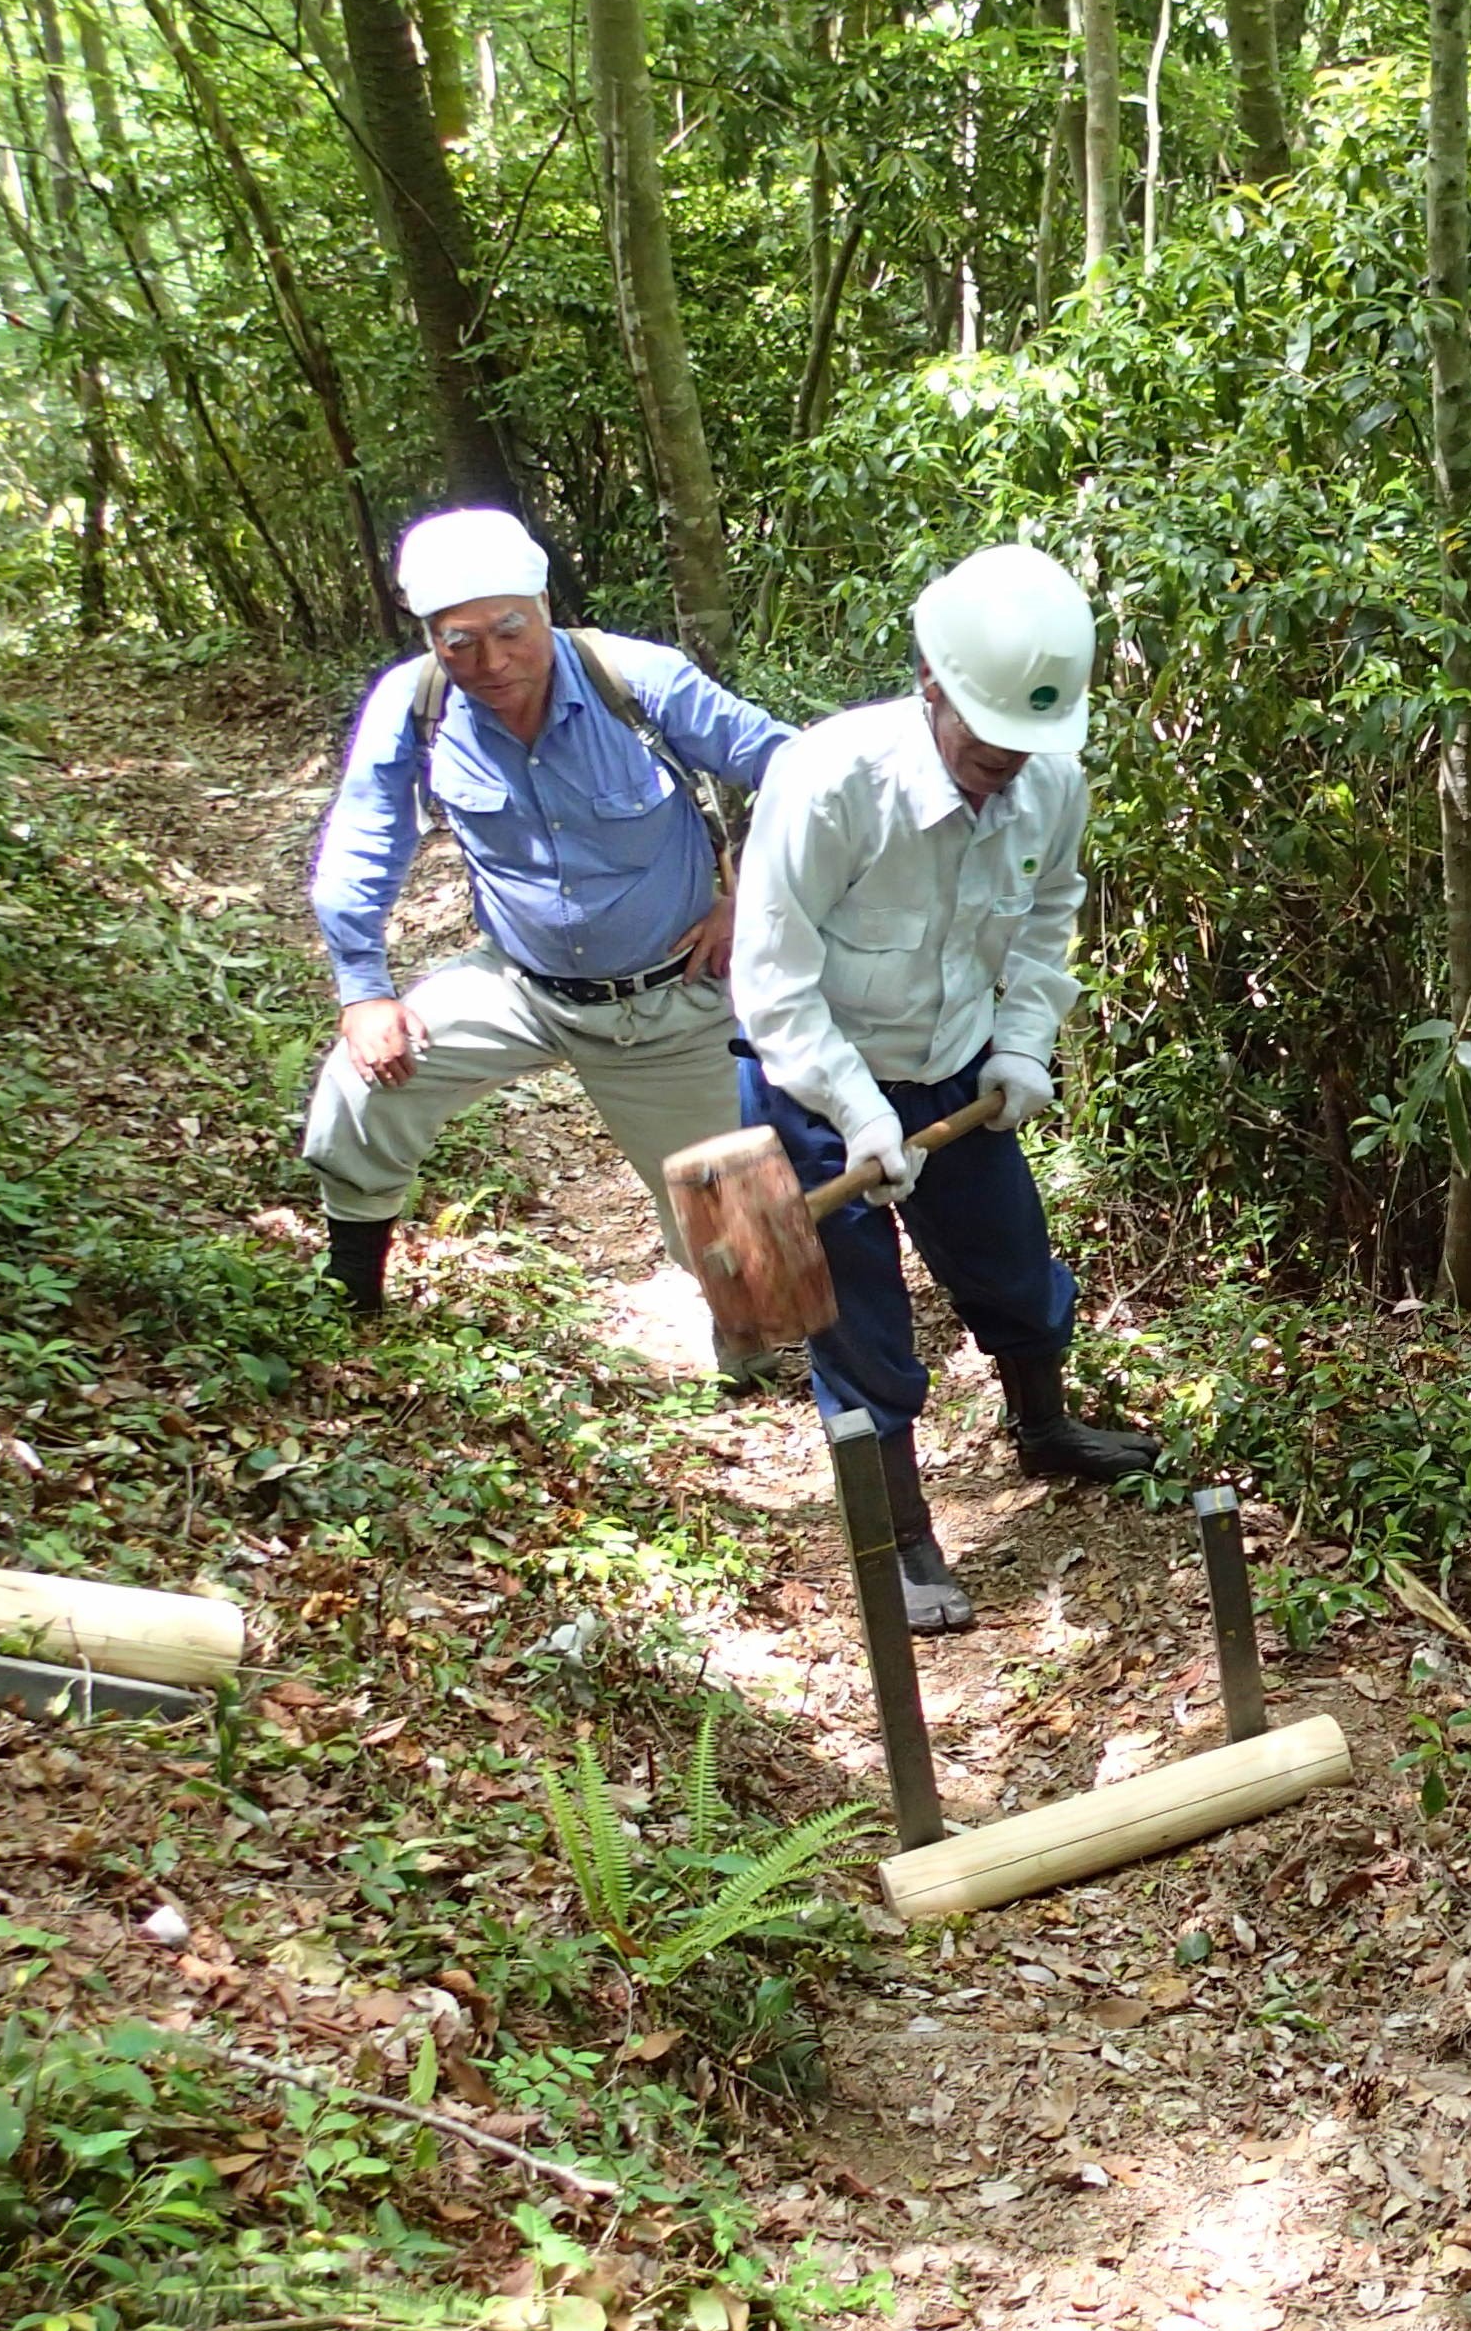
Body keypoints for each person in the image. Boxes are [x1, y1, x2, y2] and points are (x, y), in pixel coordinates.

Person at [729, 542, 1160, 1634]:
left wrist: (1019, 1046)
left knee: (1013, 1263)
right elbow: (770, 981)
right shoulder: (831, 782)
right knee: (858, 1326)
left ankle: (1044, 1427)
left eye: (1029, 743)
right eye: (989, 736)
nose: (1007, 762)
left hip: (955, 1068)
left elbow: (1048, 913)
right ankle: (899, 1532)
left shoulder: (1048, 781)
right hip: (810, 1083)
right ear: (930, 684)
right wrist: (861, 1117)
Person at [299, 508, 796, 1336]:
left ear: (544, 610)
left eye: (509, 631)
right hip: (518, 983)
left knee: (738, 1232)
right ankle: (348, 1305)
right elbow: (362, 840)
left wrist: (753, 899)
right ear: (429, 638)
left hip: (667, 999)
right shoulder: (415, 703)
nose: (490, 662)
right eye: (458, 642)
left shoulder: (639, 682)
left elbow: (796, 769)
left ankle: (763, 1363)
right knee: (360, 1085)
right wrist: (363, 990)